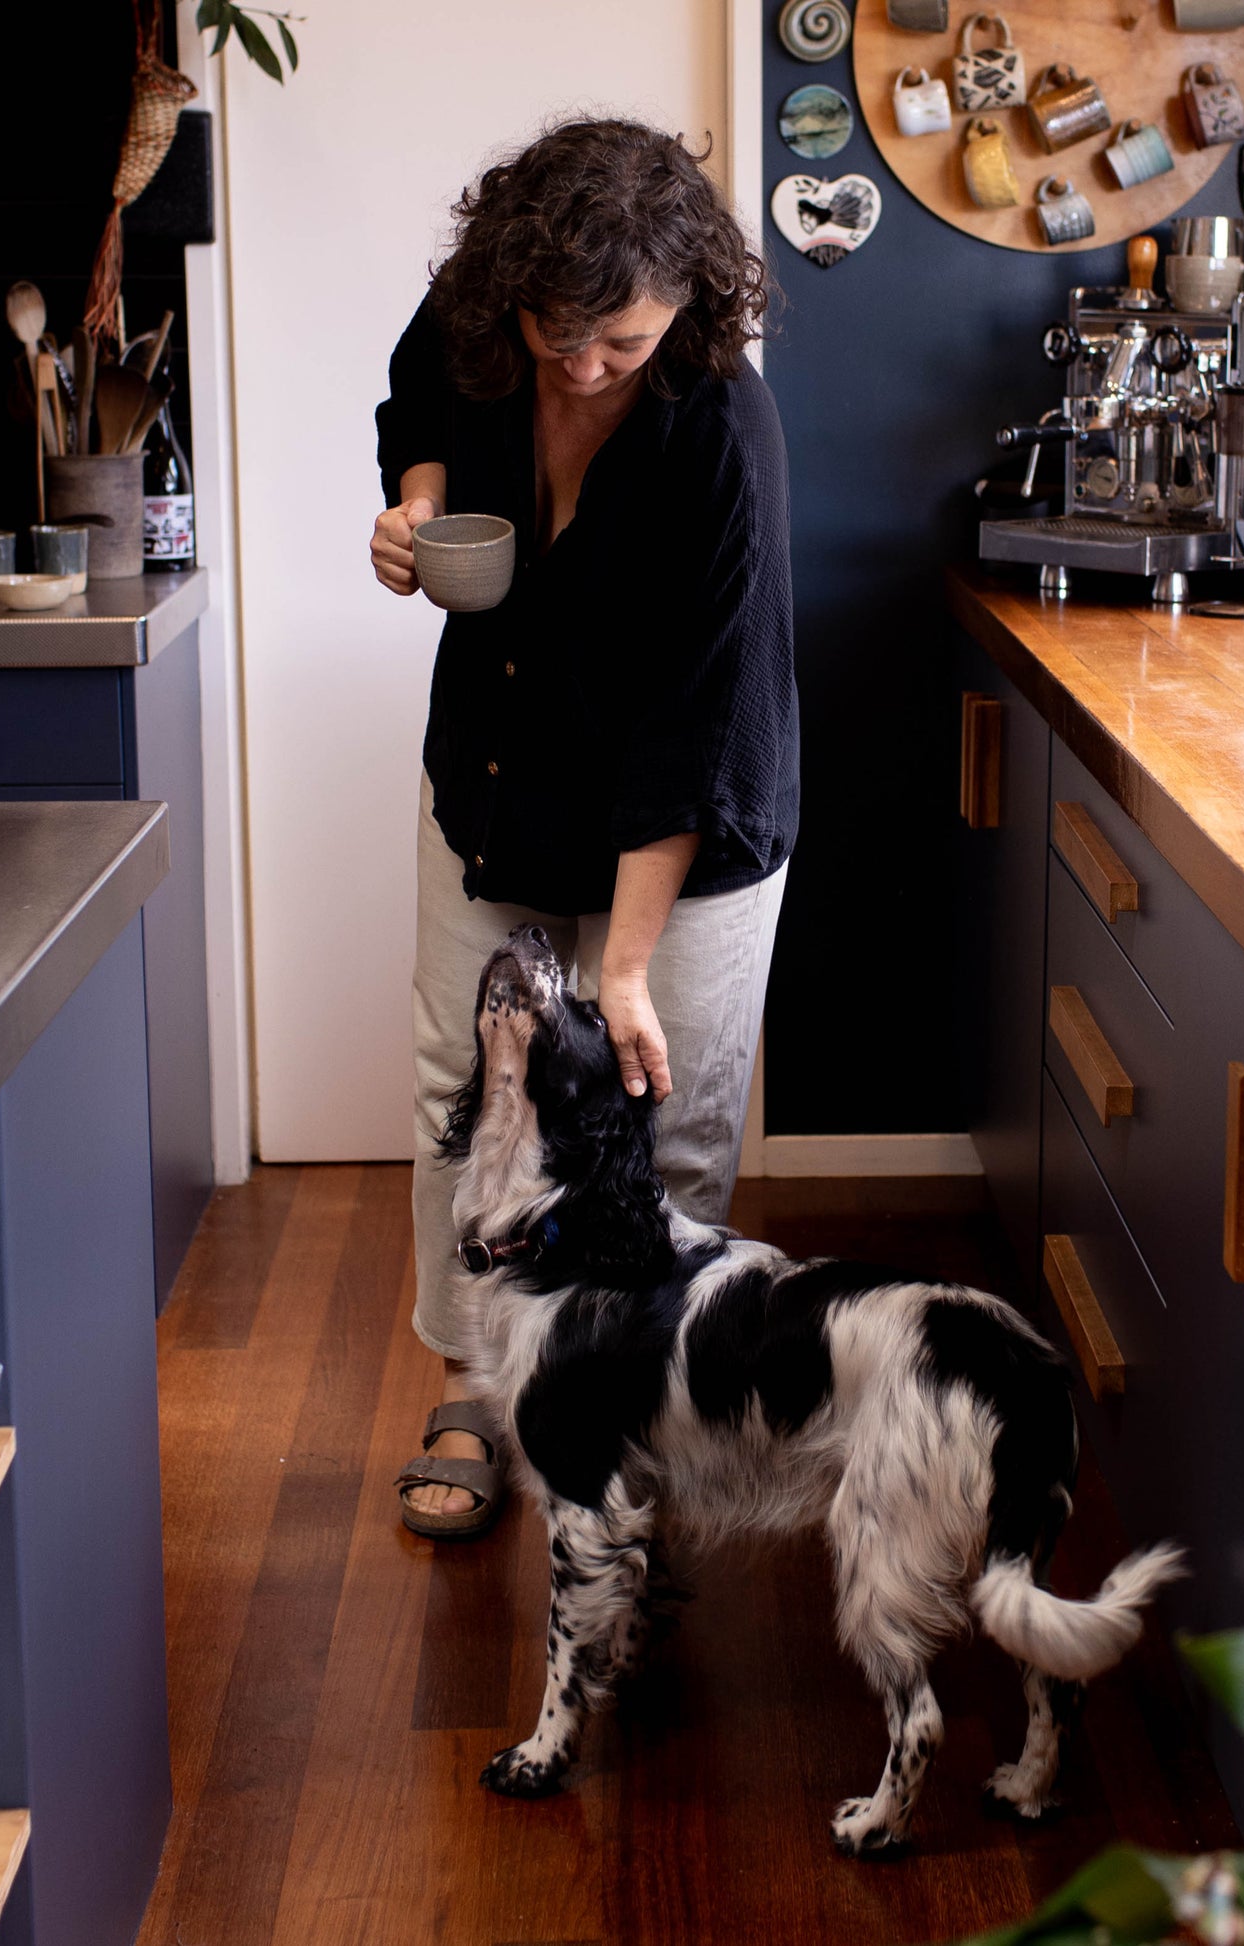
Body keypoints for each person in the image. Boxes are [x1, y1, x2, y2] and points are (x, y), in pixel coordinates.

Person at [371, 119, 797, 1538]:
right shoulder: (485, 317)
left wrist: (618, 966)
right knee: (461, 1084)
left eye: (617, 335)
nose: (582, 364)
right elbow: (416, 401)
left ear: (688, 300)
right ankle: (473, 1387)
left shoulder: (720, 430)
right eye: (560, 332)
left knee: (657, 1112)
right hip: (497, 770)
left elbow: (695, 723)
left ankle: (628, 1423)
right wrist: (418, 505)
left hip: (687, 809)